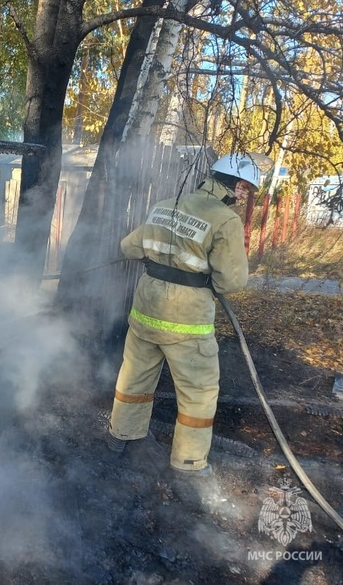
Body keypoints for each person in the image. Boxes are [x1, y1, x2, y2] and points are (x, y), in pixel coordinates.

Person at [106, 152, 264, 477]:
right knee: (198, 392)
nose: (246, 195)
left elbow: (129, 248)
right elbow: (231, 280)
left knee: (134, 377)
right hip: (186, 320)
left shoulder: (166, 204)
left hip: (145, 310)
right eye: (246, 187)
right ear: (233, 185)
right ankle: (189, 464)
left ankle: (120, 438)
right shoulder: (225, 219)